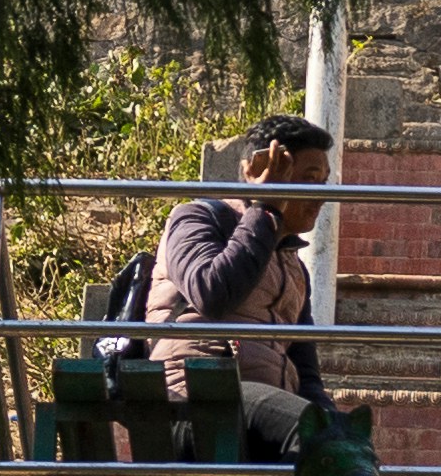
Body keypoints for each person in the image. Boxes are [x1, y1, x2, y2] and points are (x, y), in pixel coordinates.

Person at [108, 111, 330, 462]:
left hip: (267, 410)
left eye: (325, 182)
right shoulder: (198, 217)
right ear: (261, 170)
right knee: (313, 434)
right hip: (193, 399)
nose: (320, 196)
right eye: (308, 179)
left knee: (341, 442)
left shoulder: (294, 267)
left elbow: (305, 370)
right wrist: (266, 208)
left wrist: (334, 423)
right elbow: (211, 292)